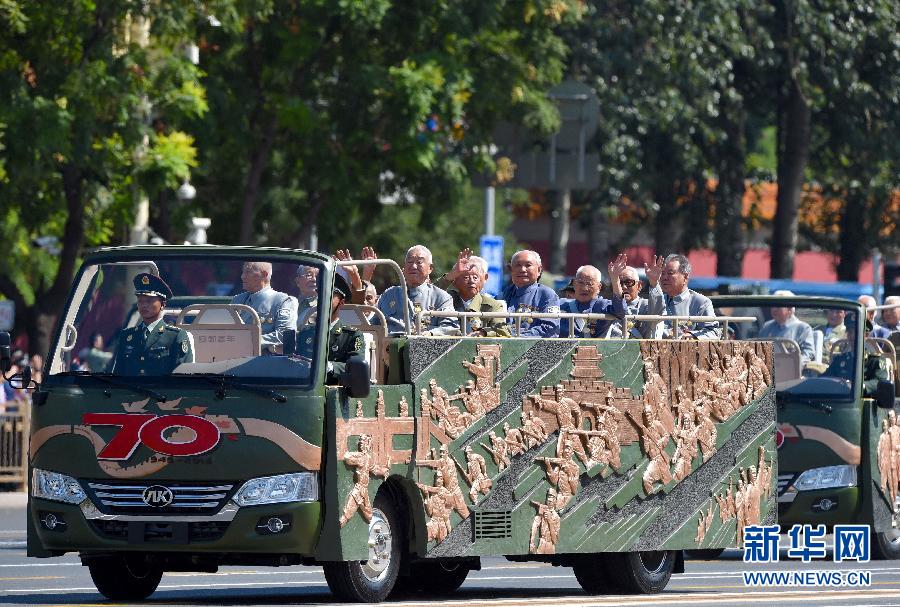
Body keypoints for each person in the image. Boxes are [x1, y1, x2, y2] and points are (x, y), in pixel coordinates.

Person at [111, 273, 193, 375]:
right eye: (140, 300)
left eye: (149, 301)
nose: (143, 305)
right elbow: (118, 375)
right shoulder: (127, 336)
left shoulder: (175, 337)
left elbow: (182, 379)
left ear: (162, 304)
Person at [376, 245, 459, 335]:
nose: (413, 266)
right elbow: (373, 324)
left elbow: (450, 327)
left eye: (419, 262)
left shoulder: (441, 297)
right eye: (410, 262)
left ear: (430, 268)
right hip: (389, 342)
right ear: (403, 268)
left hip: (424, 342)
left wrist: (431, 333)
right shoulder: (389, 294)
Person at [299, 273, 364, 383]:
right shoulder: (305, 333)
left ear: (341, 303)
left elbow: (356, 368)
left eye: (330, 296)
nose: (323, 300)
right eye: (321, 295)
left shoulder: (352, 335)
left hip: (335, 389)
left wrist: (329, 367)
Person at [436, 249, 510, 337]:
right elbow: (431, 293)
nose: (471, 281)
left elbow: (502, 331)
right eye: (466, 277)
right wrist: (452, 274)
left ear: (484, 278)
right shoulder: (447, 299)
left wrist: (484, 333)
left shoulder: (493, 305)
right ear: (454, 281)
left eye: (475, 277)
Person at [647, 253, 719, 339]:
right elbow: (648, 328)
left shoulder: (701, 302)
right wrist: (653, 282)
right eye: (662, 273)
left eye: (670, 273)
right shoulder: (658, 300)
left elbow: (714, 332)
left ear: (685, 276)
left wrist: (691, 336)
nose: (664, 277)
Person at [232, 261, 298, 354]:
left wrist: (250, 341)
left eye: (248, 272)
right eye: (243, 272)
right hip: (233, 356)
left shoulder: (283, 301)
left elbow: (286, 335)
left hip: (264, 359)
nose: (242, 276)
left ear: (264, 275)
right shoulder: (237, 299)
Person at [824, 314, 891, 396]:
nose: (852, 336)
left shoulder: (876, 361)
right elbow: (825, 378)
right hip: (839, 401)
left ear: (866, 335)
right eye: (850, 332)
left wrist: (858, 387)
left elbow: (880, 382)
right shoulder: (840, 360)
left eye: (856, 332)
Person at [557, 262, 626, 338]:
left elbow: (621, 311)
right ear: (574, 284)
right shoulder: (562, 305)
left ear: (599, 287)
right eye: (580, 283)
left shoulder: (603, 305)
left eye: (590, 284)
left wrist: (615, 279)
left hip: (595, 345)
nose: (584, 288)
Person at [502, 250, 560, 337]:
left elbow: (549, 328)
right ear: (511, 270)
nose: (522, 269)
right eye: (518, 265)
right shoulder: (504, 294)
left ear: (539, 270)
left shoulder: (548, 295)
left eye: (528, 265)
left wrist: (514, 335)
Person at [605, 257, 664, 338]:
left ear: (639, 286)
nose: (624, 287)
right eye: (619, 283)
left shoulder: (646, 305)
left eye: (629, 282)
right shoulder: (608, 306)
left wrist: (654, 283)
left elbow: (658, 311)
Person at [758, 291, 816, 364]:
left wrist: (793, 364)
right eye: (772, 305)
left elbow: (809, 353)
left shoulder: (803, 328)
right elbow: (757, 350)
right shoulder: (766, 327)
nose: (774, 309)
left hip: (790, 369)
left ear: (790, 309)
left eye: (778, 306)